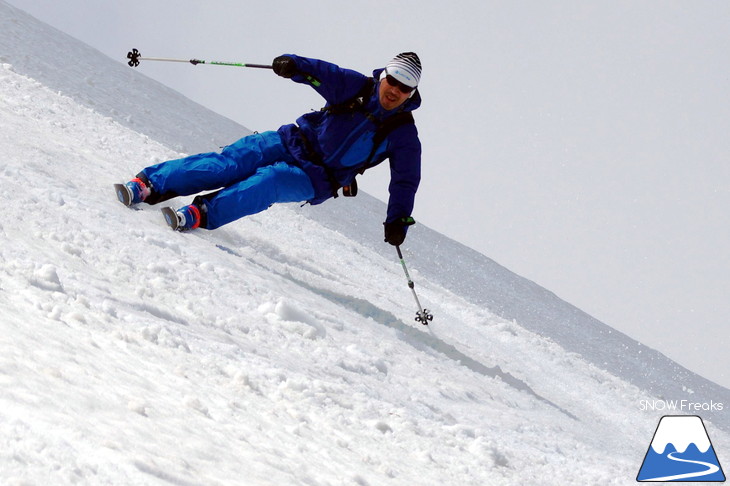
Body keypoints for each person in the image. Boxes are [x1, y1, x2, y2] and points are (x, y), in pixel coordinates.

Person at [115, 52, 423, 246]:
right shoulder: (356, 87)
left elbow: (405, 181)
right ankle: (148, 184)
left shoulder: (403, 134)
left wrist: (397, 220)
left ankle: (200, 213)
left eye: (404, 88)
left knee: (270, 183)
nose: (395, 91)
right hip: (293, 140)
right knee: (231, 163)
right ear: (383, 76)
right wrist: (293, 65)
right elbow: (322, 72)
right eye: (393, 81)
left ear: (411, 93)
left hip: (319, 178)